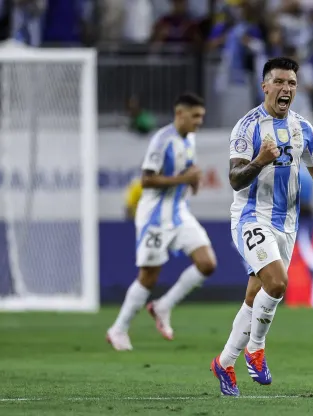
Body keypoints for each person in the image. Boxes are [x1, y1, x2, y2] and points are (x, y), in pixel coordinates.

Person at [210, 57, 313, 397]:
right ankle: (256, 349)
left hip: (287, 224)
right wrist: (260, 161)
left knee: (254, 298)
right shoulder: (247, 126)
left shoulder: (303, 127)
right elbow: (235, 179)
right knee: (277, 283)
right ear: (264, 86)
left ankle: (224, 363)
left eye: (291, 83)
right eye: (279, 82)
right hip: (252, 216)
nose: (286, 89)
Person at [106, 93, 216, 351]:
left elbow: (187, 168)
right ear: (180, 114)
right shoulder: (161, 141)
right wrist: (182, 179)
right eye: (195, 116)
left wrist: (193, 179)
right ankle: (118, 329)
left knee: (207, 263)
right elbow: (146, 180)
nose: (199, 122)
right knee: (149, 276)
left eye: (202, 116)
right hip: (154, 216)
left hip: (179, 212)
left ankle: (163, 305)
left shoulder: (189, 139)